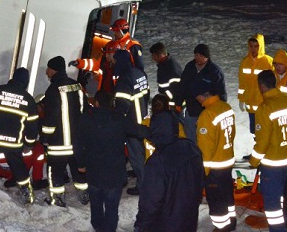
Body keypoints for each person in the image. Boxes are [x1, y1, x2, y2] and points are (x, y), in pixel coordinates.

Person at [75, 90, 149, 232]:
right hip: (114, 173)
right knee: (111, 207)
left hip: (94, 171)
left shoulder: (85, 118)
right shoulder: (119, 118)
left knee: (95, 204)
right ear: (111, 104)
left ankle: (98, 227)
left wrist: (81, 164)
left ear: (96, 103)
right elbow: (138, 131)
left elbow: (77, 143)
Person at [134, 89, 204, 232]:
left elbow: (150, 203)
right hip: (189, 219)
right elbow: (200, 181)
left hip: (166, 223)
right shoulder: (191, 148)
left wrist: (141, 225)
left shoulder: (157, 162)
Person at [0, 67, 39, 204]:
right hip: (12, 143)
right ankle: (25, 191)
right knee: (19, 168)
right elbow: (32, 126)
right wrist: (29, 143)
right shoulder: (28, 100)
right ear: (26, 82)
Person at [40, 56, 89, 207]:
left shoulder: (52, 90)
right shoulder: (77, 86)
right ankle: (84, 194)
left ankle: (58, 199)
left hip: (59, 142)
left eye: (48, 69)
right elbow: (85, 110)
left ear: (53, 70)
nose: (46, 72)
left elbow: (50, 117)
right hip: (77, 141)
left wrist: (45, 136)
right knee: (78, 169)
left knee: (55, 171)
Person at [249, 70, 287, 232]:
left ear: (261, 86)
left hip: (273, 163)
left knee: (272, 202)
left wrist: (254, 160)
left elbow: (263, 141)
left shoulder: (265, 107)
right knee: (286, 194)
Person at [194, 81, 236, 232]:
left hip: (215, 166)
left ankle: (221, 226)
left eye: (197, 96)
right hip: (227, 159)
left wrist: (203, 173)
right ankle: (231, 221)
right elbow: (233, 133)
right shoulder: (226, 107)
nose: (197, 99)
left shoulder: (207, 115)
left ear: (204, 95)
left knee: (216, 199)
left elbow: (205, 148)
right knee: (227, 193)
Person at [68, 18, 144, 93]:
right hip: (105, 90)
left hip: (121, 89)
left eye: (115, 31)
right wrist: (79, 63)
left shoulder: (133, 45)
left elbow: (139, 69)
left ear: (121, 31)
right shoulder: (112, 46)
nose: (114, 33)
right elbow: (97, 63)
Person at [113, 49, 149, 196]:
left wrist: (116, 121)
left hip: (132, 124)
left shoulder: (124, 78)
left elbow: (122, 106)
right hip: (143, 120)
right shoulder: (140, 73)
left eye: (114, 60)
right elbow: (147, 96)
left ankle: (143, 185)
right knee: (142, 154)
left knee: (136, 157)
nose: (113, 63)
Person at [174, 43, 227, 143]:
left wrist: (221, 110)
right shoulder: (189, 67)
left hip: (207, 113)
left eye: (201, 56)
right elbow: (182, 86)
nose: (197, 58)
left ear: (206, 57)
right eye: (196, 55)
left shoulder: (215, 72)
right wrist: (178, 102)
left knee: (206, 139)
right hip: (192, 111)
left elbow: (221, 93)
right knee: (191, 138)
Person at [238, 34, 273, 159]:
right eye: (251, 46)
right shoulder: (245, 62)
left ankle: (265, 153)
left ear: (261, 46)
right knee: (254, 131)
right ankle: (257, 153)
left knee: (264, 130)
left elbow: (272, 84)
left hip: (263, 105)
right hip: (251, 104)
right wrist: (241, 99)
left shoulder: (268, 62)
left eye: (256, 46)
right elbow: (242, 83)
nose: (253, 49)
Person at [149, 42, 182, 108]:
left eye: (154, 56)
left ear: (160, 55)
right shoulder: (165, 65)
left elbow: (177, 89)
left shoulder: (171, 68)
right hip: (170, 102)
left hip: (174, 104)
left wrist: (174, 103)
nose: (153, 58)